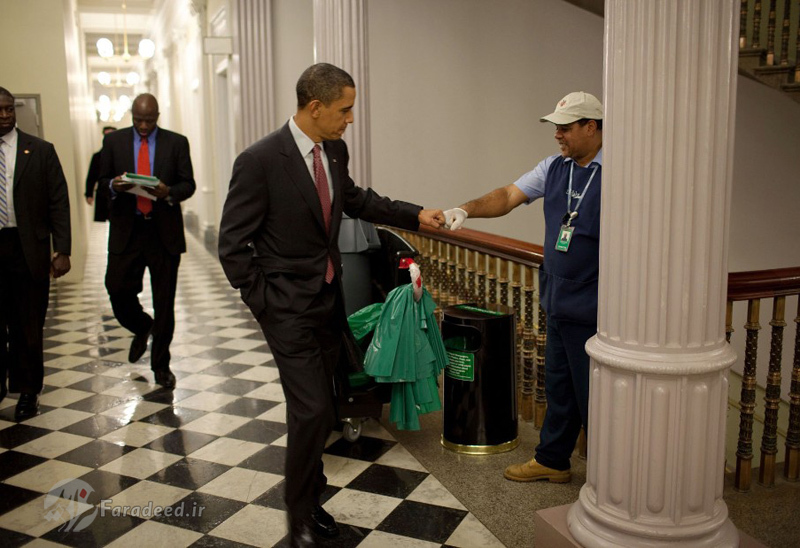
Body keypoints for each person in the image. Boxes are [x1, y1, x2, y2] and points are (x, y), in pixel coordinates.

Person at [218, 63, 445, 547]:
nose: (350, 119)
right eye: (345, 110)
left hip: (327, 301)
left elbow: (357, 200)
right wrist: (265, 304)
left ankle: (312, 496)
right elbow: (232, 245)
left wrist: (415, 215)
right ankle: (297, 515)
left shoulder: (334, 151)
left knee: (322, 410)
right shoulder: (259, 160)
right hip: (287, 309)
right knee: (311, 409)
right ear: (315, 107)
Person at [443, 91, 603, 484]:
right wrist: (465, 209)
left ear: (592, 127)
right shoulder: (554, 167)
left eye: (565, 128)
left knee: (595, 398)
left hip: (597, 305)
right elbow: (509, 195)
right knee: (559, 386)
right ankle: (553, 459)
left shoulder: (621, 172)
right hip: (558, 299)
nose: (558, 136)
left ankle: (612, 483)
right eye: (556, 129)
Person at [99, 93, 195, 390]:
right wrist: (114, 185)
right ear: (131, 114)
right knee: (116, 288)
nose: (143, 125)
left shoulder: (176, 142)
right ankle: (142, 326)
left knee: (165, 302)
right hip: (127, 230)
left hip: (162, 231)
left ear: (157, 116)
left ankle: (161, 366)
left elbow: (188, 184)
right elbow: (101, 180)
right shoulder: (113, 142)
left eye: (149, 120)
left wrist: (167, 192)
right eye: (138, 119)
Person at [0, 87, 71, 419]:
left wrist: (63, 250)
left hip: (27, 248)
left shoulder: (40, 151)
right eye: (0, 109)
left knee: (28, 325)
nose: (5, 115)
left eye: (9, 109)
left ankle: (28, 391)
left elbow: (58, 202)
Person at [84, 125, 116, 222]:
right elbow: (92, 175)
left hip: (119, 193)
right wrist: (89, 194)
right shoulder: (97, 157)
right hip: (103, 193)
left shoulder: (122, 155)